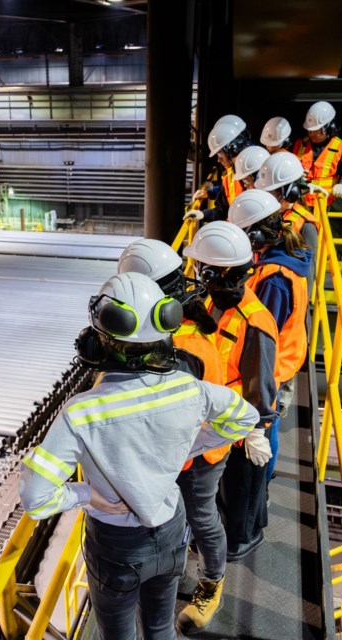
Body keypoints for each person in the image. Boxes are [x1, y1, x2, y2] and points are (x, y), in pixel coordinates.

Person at [19, 272, 263, 640]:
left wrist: (85, 495)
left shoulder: (81, 412)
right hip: (172, 532)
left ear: (101, 342)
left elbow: (36, 499)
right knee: (160, 626)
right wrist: (190, 446)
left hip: (117, 546)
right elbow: (246, 417)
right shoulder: (190, 389)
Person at [117, 239, 230, 633]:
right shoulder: (178, 321)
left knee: (202, 517)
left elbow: (171, 420)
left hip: (196, 456)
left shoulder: (178, 349)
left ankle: (212, 583)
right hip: (192, 448)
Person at [181, 222, 278, 562]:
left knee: (241, 494)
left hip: (239, 425)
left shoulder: (254, 321)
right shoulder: (213, 301)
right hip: (216, 420)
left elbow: (262, 382)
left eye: (200, 267)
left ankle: (239, 544)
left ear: (215, 272)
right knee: (228, 494)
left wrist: (257, 430)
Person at [229, 190, 312, 484]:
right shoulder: (279, 257)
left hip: (274, 363)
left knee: (267, 424)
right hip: (284, 355)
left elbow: (264, 333)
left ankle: (263, 480)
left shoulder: (274, 277)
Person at [255, 152, 320, 298]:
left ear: (291, 192)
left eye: (272, 193)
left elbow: (307, 279)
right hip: (266, 286)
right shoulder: (272, 214)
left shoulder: (306, 225)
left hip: (285, 299)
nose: (268, 198)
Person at [186, 115, 253, 224]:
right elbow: (222, 210)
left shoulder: (253, 172)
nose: (218, 160)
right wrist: (203, 214)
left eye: (219, 154)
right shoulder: (229, 177)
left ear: (231, 150)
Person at [292, 101, 342, 206]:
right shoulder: (300, 144)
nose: (311, 134)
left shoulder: (340, 148)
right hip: (298, 201)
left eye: (315, 131)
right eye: (309, 130)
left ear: (329, 128)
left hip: (323, 202)